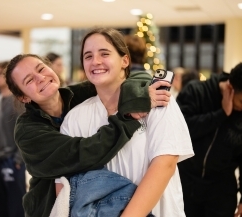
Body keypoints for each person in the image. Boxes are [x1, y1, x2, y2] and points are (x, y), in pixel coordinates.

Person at [4, 52, 171, 216]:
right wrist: (127, 118)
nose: (40, 78)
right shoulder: (27, 131)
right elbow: (83, 153)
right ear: (23, 97)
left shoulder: (80, 94)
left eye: (41, 69)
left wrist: (139, 95)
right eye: (29, 80)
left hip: (98, 202)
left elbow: (126, 78)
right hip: (52, 208)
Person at [58, 27, 194, 217]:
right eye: (88, 56)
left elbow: (165, 164)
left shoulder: (157, 99)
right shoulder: (76, 117)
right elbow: (66, 181)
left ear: (125, 60)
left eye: (104, 53)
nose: (95, 61)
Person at [176, 60, 242, 217]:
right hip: (185, 185)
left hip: (221, 194)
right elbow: (180, 131)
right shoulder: (196, 92)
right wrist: (221, 114)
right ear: (230, 88)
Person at [0, 61, 26, 217]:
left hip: (12, 160)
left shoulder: (18, 102)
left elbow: (25, 133)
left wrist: (18, 160)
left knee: (15, 207)